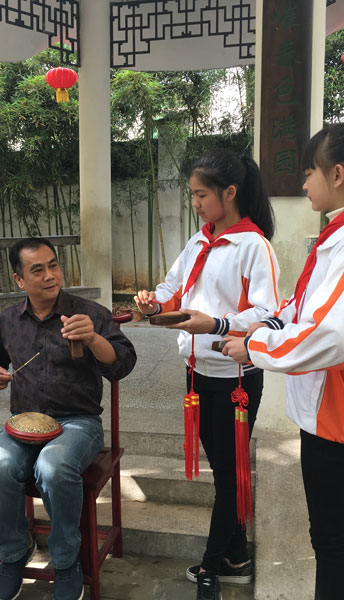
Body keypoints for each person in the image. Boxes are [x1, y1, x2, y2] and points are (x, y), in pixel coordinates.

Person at [134, 149, 280, 600]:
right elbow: (172, 287)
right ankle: (235, 557)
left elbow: (268, 314)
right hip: (196, 373)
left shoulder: (253, 246)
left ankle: (211, 568)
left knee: (229, 477)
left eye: (201, 195)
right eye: (192, 195)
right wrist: (153, 304)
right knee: (224, 471)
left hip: (235, 378)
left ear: (229, 192)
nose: (195, 203)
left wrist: (216, 324)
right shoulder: (198, 242)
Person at [0, 237, 137, 600]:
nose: (50, 275)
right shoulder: (8, 320)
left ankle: (66, 560)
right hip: (25, 423)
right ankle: (14, 552)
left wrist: (93, 339)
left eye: (54, 265)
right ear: (19, 280)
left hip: (78, 423)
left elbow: (123, 363)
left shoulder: (89, 314)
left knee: (53, 466)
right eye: (38, 270)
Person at [223, 124, 344, 600]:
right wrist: (248, 327)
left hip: (335, 421)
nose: (303, 182)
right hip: (325, 416)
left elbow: (329, 332)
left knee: (331, 542)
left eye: (310, 172)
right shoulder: (332, 237)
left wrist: (255, 347)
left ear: (337, 174)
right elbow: (300, 306)